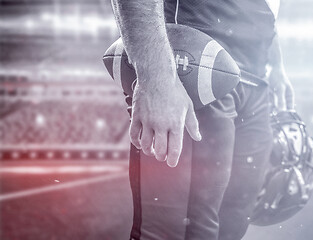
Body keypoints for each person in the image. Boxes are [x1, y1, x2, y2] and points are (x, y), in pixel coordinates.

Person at [111, 0, 294, 239]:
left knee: (229, 227)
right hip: (195, 62)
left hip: (255, 76)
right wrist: (156, 78)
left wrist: (275, 62)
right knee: (172, 231)